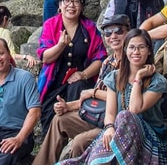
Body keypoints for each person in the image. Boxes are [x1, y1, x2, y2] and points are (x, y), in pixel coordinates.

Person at [59, 29, 167, 165]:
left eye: (141, 47)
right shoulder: (114, 77)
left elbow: (134, 109)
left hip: (149, 137)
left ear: (149, 51)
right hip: (119, 130)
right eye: (131, 47)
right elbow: (111, 112)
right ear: (125, 50)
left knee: (125, 116)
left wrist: (138, 78)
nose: (136, 52)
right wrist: (109, 128)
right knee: (91, 147)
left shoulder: (157, 81)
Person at [31, 14, 129, 165]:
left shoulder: (131, 59)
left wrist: (92, 92)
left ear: (128, 32)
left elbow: (124, 97)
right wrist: (69, 106)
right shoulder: (108, 62)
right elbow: (97, 98)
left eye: (119, 31)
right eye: (108, 33)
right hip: (101, 116)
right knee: (59, 120)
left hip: (117, 122)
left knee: (79, 142)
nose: (113, 36)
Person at [35, 0, 106, 132]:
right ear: (60, 5)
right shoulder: (51, 25)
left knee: (78, 88)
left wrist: (83, 74)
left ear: (81, 6)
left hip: (80, 83)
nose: (71, 5)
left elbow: (100, 58)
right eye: (67, 1)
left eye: (76, 1)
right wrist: (60, 45)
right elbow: (45, 58)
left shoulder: (90, 28)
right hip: (54, 83)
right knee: (50, 123)